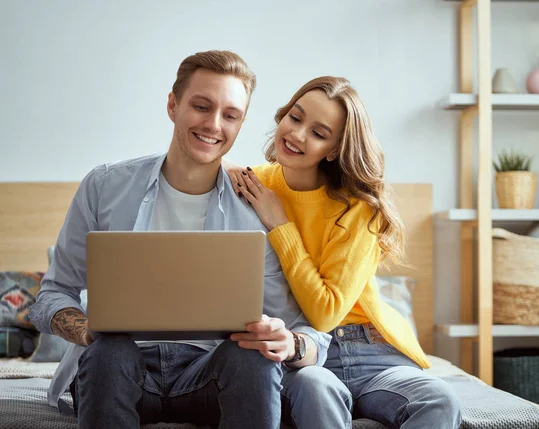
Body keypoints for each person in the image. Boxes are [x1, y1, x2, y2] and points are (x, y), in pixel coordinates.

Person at [29, 51, 354, 429]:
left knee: (251, 358)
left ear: (241, 123)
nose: (214, 125)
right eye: (201, 106)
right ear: (173, 104)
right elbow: (51, 295)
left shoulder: (259, 208)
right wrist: (84, 329)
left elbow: (311, 329)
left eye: (230, 115)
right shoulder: (104, 187)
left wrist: (291, 342)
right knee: (108, 351)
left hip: (211, 375)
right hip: (122, 369)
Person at [225, 76, 463, 428]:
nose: (297, 135)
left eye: (319, 134)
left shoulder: (358, 209)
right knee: (316, 390)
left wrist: (280, 226)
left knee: (439, 400)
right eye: (295, 117)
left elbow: (327, 312)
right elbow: (204, 170)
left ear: (335, 150)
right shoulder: (252, 185)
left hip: (372, 350)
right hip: (303, 352)